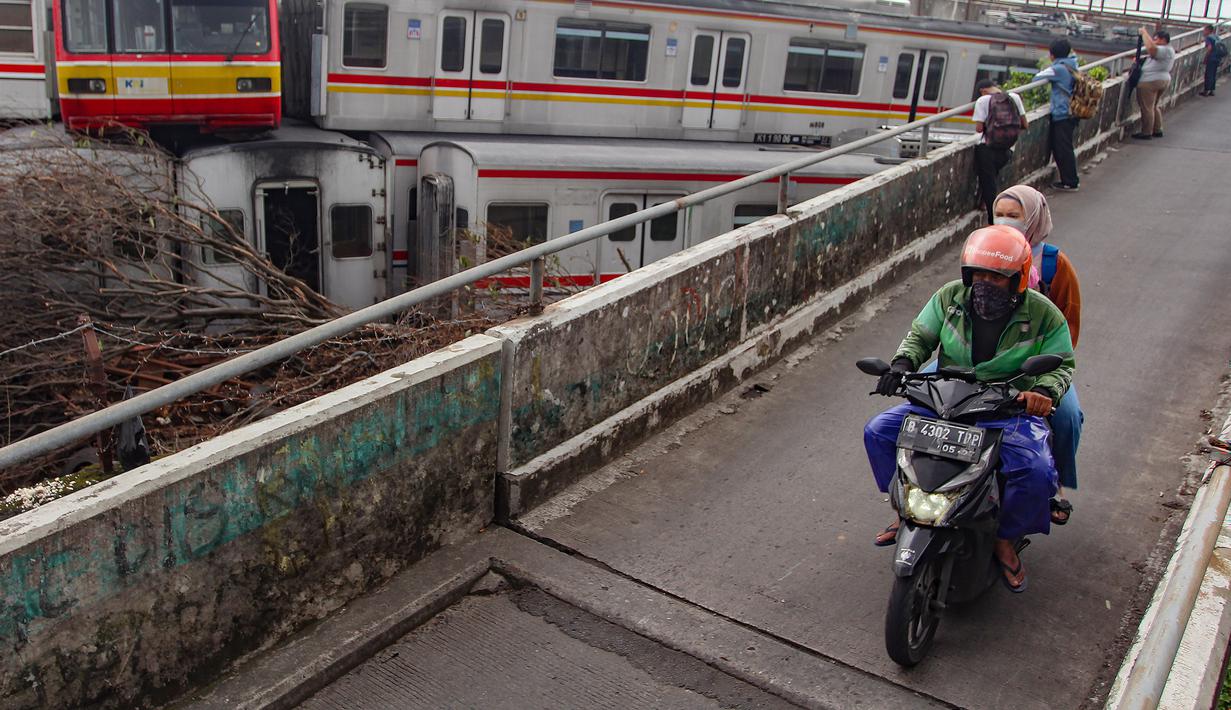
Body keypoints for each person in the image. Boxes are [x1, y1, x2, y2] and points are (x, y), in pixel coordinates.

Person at [865, 225, 1075, 592]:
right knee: (879, 431)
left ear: (1018, 279)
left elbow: (1061, 364)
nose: (986, 282)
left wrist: (1042, 391)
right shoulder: (949, 297)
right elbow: (921, 337)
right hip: (949, 397)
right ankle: (905, 511)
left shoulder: (1045, 315)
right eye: (978, 273)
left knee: (1036, 471)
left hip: (1007, 406)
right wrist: (901, 366)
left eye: (997, 276)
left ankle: (1005, 538)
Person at [992, 185, 1083, 525]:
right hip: (981, 357)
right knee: (923, 394)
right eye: (999, 214)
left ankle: (1056, 486)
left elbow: (1068, 325)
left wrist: (1047, 373)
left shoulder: (1053, 263)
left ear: (1032, 218)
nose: (1004, 221)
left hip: (1038, 365)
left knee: (1067, 417)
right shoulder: (985, 249)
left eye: (1013, 216)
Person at [972, 79, 1028, 224]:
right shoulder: (1014, 97)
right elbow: (1024, 124)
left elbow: (979, 128)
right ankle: (985, 205)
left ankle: (993, 221)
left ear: (982, 91)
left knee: (988, 183)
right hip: (1007, 148)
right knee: (993, 179)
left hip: (987, 148)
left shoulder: (983, 101)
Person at [1034, 39, 1081, 191]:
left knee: (1063, 148)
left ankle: (1070, 181)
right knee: (1064, 146)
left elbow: (1037, 78)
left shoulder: (1059, 69)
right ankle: (1069, 179)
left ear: (1052, 54)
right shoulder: (1073, 64)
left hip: (1062, 113)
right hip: (1072, 111)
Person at [1133, 28, 1174, 140]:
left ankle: (1146, 132)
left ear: (1163, 40)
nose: (1153, 41)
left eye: (1155, 39)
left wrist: (1144, 33)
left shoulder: (1163, 49)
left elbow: (1151, 48)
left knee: (1147, 107)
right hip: (1162, 79)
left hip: (1150, 81)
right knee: (1154, 106)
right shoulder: (1169, 50)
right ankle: (1157, 129)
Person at [1200, 25, 1220, 96]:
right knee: (1213, 74)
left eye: (1204, 30)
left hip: (1211, 58)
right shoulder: (1216, 37)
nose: (1203, 31)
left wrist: (1206, 58)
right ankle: (1212, 90)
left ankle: (1206, 91)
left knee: (1208, 74)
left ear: (1208, 30)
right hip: (1217, 58)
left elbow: (1209, 48)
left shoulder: (1208, 38)